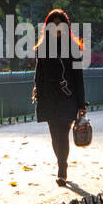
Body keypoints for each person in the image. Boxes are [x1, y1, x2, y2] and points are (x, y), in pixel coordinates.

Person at [32, 10, 89, 186]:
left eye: (60, 24)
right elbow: (38, 75)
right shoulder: (42, 49)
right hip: (49, 97)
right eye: (53, 24)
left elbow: (78, 78)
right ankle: (61, 163)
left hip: (67, 96)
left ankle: (62, 170)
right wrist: (38, 95)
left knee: (62, 133)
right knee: (54, 136)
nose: (57, 28)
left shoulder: (73, 49)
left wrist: (81, 104)